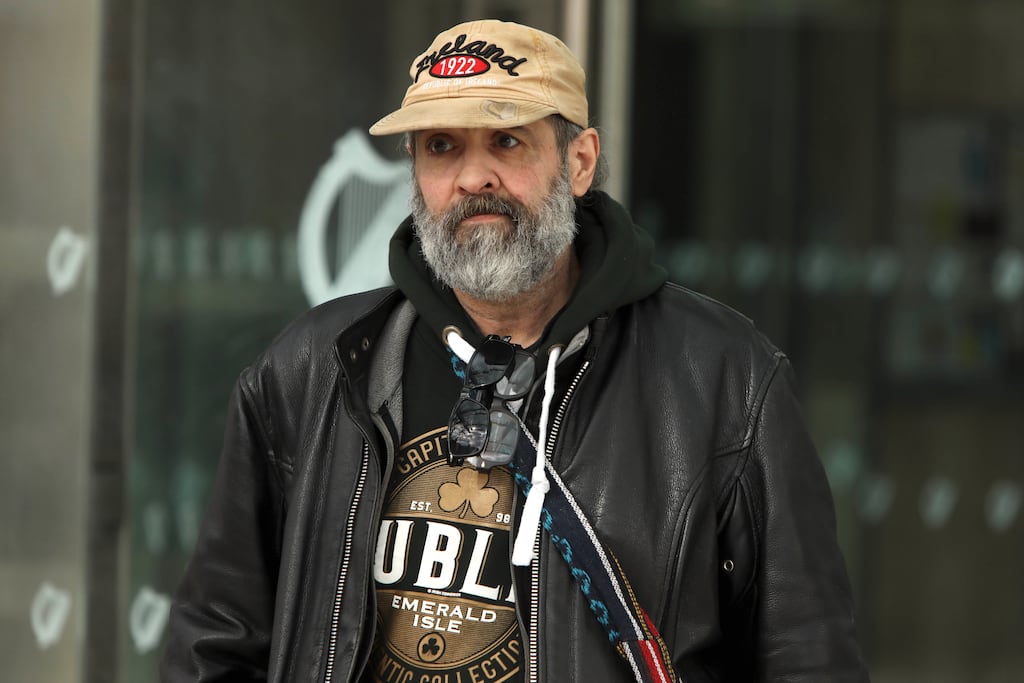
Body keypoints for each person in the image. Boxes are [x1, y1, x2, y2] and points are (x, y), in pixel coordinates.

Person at [160, 18, 870, 683]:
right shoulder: (315, 368)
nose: (473, 179)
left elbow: (808, 654)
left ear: (580, 161)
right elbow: (214, 639)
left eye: (507, 141)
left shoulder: (724, 380)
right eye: (442, 147)